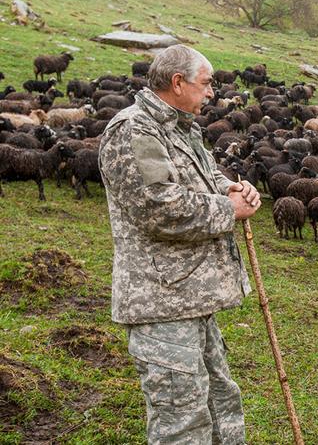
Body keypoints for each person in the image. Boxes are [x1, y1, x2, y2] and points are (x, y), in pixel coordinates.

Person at [99, 44, 261, 444]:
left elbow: (202, 179)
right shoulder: (133, 130)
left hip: (191, 298)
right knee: (182, 422)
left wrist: (233, 188)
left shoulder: (178, 127)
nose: (211, 93)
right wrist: (229, 209)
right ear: (178, 82)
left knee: (219, 403)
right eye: (206, 84)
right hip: (162, 303)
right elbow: (160, 208)